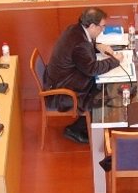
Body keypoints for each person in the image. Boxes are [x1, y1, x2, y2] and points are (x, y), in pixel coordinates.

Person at [43, 8, 123, 144]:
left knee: (102, 88)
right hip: (63, 92)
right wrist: (114, 61)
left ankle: (87, 123)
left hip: (59, 79)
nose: (103, 30)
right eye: (102, 26)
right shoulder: (80, 45)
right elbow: (92, 68)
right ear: (92, 26)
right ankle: (75, 129)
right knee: (101, 96)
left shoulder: (74, 30)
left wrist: (98, 46)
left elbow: (83, 49)